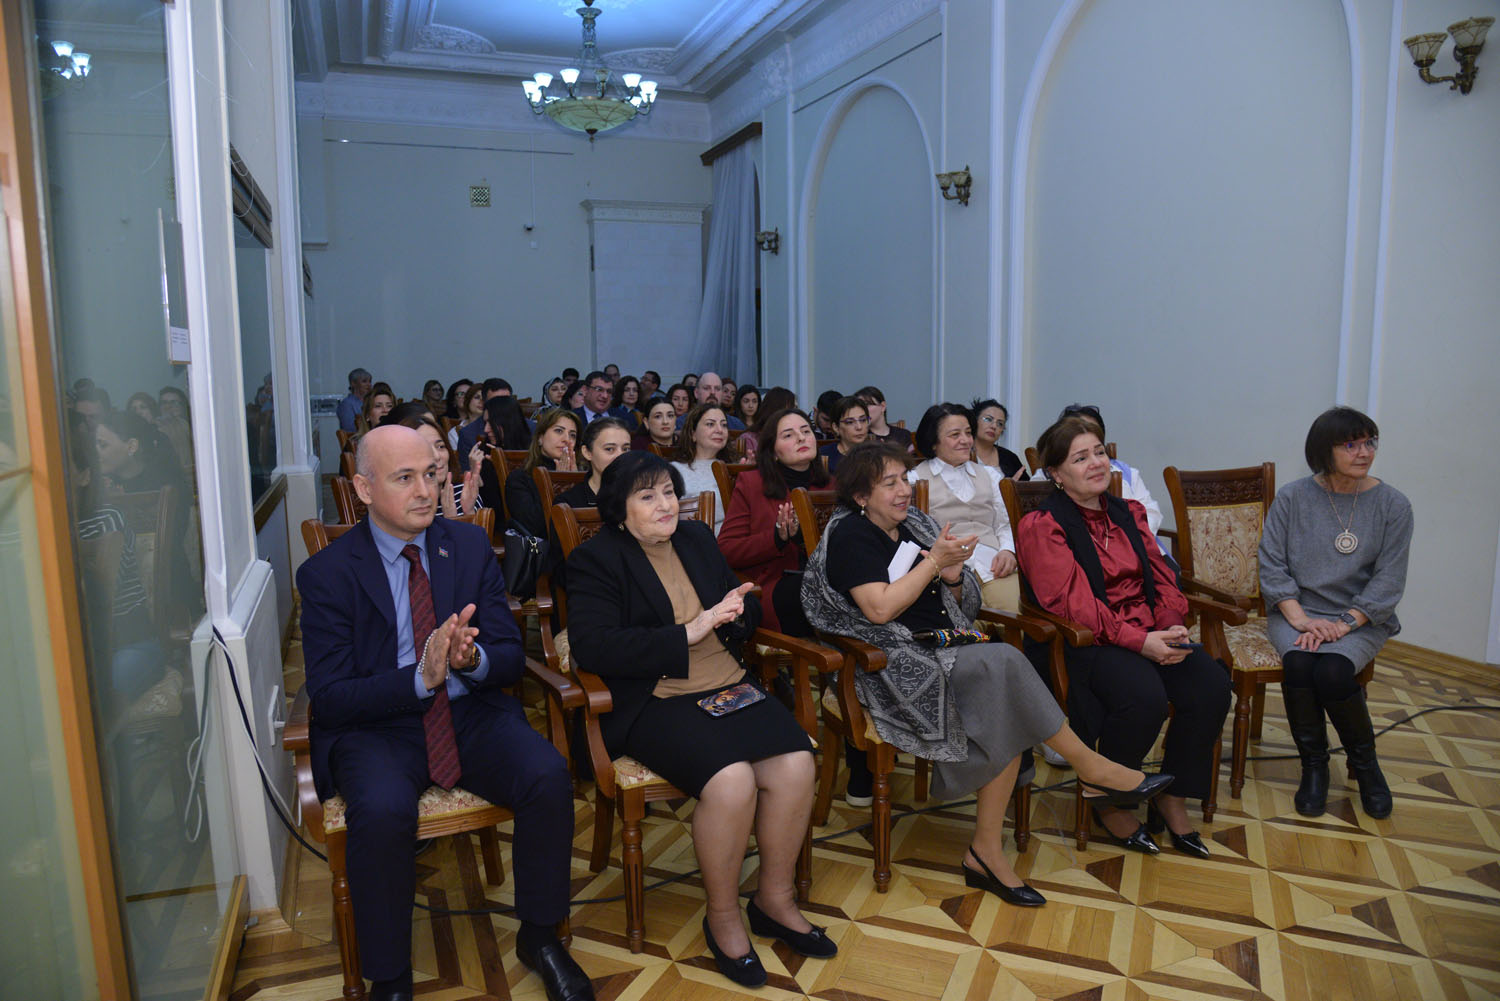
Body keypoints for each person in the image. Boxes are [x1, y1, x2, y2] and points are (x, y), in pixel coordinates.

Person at [801, 442, 1174, 903]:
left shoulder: (916, 525)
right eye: (889, 483)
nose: (903, 490)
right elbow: (878, 611)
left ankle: (985, 852)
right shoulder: (851, 536)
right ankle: (1090, 768)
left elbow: (959, 608)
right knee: (1007, 663)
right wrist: (934, 563)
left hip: (944, 649)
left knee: (1004, 700)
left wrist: (954, 576)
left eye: (904, 479)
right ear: (861, 496)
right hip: (888, 664)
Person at [296, 426, 591, 1001]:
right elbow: (330, 697)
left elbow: (508, 656)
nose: (425, 491)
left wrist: (471, 659)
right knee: (382, 810)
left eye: (431, 475)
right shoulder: (327, 573)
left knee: (546, 774)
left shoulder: (469, 546)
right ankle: (390, 976)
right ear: (363, 488)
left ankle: (541, 936)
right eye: (404, 478)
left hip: (469, 711)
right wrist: (419, 678)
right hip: (378, 728)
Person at [566, 452, 833, 987]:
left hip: (727, 681)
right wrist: (684, 634)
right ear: (618, 510)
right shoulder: (595, 559)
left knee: (796, 763)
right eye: (648, 496)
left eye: (669, 492)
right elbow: (594, 648)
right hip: (657, 697)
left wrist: (737, 612)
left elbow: (737, 608)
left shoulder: (695, 538)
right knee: (731, 782)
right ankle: (723, 915)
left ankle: (774, 900)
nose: (665, 504)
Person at [1016, 415, 1229, 858]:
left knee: (1210, 685)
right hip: (1091, 641)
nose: (1096, 463)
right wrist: (1139, 641)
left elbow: (1164, 575)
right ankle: (1110, 799)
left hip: (1151, 631)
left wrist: (1170, 625)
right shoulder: (1042, 525)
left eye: (1099, 452)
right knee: (1144, 697)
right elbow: (1072, 604)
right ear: (1056, 474)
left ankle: (1172, 796)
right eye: (1080, 458)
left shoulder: (1128, 513)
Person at [1259, 406, 1411, 819]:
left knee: (1331, 671)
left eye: (1370, 442)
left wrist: (1342, 626)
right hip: (1296, 610)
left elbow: (1388, 581)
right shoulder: (1293, 497)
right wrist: (1302, 620)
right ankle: (1315, 767)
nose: (1365, 452)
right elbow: (1271, 565)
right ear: (1324, 451)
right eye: (1351, 444)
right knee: (1299, 663)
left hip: (1361, 617)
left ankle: (1366, 766)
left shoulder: (1394, 505)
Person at [718, 408, 830, 635]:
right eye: (788, 435)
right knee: (813, 588)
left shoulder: (832, 485)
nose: (801, 438)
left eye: (806, 431)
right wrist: (776, 538)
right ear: (773, 452)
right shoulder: (751, 484)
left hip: (830, 580)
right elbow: (727, 550)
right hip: (777, 585)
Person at [907, 403, 1021, 613]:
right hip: (949, 574)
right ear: (933, 442)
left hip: (995, 567)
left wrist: (1007, 551)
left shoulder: (990, 475)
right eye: (955, 435)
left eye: (968, 433)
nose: (965, 440)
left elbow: (1004, 524)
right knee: (971, 622)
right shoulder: (914, 479)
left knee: (1021, 614)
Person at [1057, 404, 1164, 536]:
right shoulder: (1049, 475)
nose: (1095, 464)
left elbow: (1151, 513)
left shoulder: (1128, 473)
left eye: (1099, 452)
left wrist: (1131, 538)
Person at [503, 408, 580, 536]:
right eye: (559, 431)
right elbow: (536, 527)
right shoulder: (520, 478)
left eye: (572, 435)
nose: (567, 439)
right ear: (540, 438)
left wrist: (577, 482)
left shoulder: (583, 474)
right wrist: (560, 486)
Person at [393, 409, 481, 518]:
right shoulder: (403, 504)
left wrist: (468, 512)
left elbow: (478, 528)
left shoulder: (464, 494)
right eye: (424, 448)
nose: (437, 456)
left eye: (440, 446)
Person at [671, 404, 734, 532]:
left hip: (732, 537)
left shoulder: (733, 468)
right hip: (692, 537)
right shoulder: (675, 470)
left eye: (724, 425)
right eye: (710, 424)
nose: (720, 430)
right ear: (693, 434)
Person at [454, 378, 515, 470]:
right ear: (484, 402)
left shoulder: (530, 428)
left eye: (506, 401)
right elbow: (466, 473)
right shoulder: (468, 434)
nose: (501, 407)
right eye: (495, 402)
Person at [970, 399, 1027, 479]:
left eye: (1000, 424)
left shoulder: (1010, 458)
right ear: (974, 420)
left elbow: (1026, 485)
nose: (994, 426)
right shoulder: (961, 452)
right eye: (988, 419)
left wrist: (1012, 486)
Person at [818, 396, 869, 474]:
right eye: (850, 422)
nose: (859, 427)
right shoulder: (824, 455)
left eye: (863, 420)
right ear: (836, 427)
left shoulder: (877, 454)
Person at [854, 386, 912, 450]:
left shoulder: (903, 435)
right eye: (860, 407)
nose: (863, 410)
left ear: (883, 406)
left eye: (867, 404)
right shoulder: (860, 437)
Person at [449, 383, 486, 450]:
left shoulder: (491, 429)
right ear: (467, 401)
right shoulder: (454, 432)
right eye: (477, 397)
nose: (481, 401)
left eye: (484, 398)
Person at [337, 367, 372, 433]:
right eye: (364, 381)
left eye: (370, 381)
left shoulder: (370, 401)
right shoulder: (347, 404)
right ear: (353, 383)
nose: (369, 385)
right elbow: (349, 430)